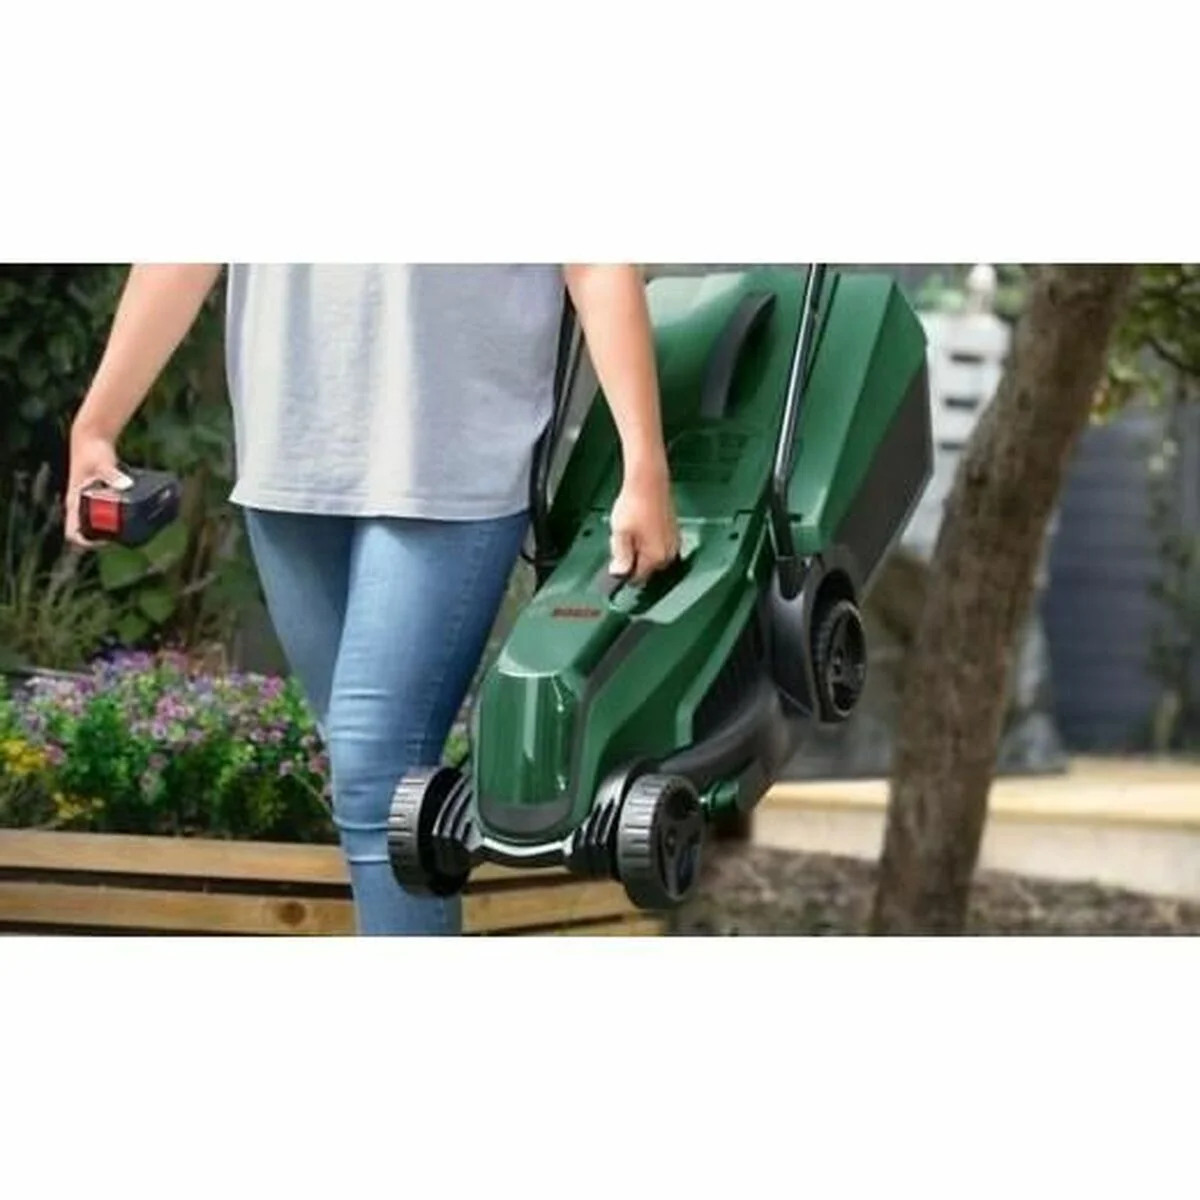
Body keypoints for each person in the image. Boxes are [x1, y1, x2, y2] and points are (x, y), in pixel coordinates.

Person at [66, 264, 680, 936]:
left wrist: (644, 464)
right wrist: (96, 424)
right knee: (375, 784)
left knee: (376, 772)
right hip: (290, 457)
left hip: (448, 458)